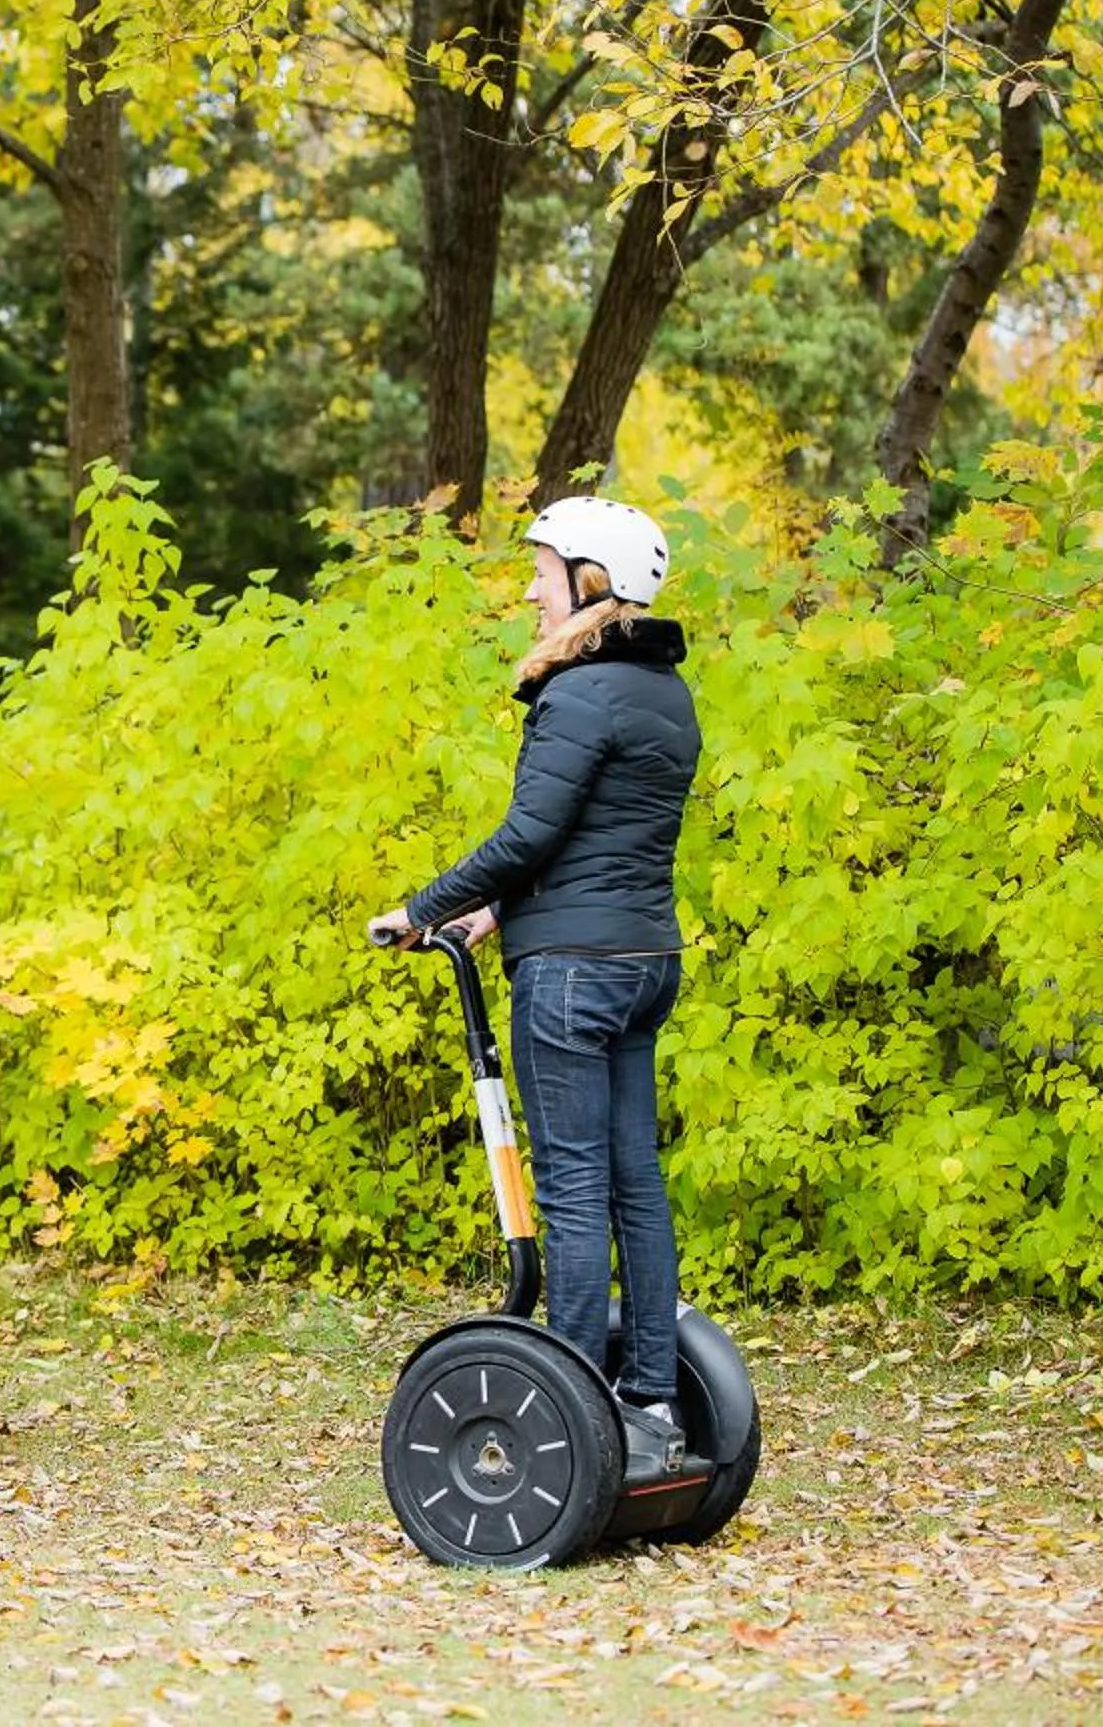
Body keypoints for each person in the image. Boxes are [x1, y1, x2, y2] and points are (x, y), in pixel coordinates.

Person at [366, 495, 700, 1480]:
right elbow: (601, 837)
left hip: (571, 978)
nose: (529, 590)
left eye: (544, 572)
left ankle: (577, 1409)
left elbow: (531, 834)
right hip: (643, 961)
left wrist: (425, 906)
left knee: (574, 1190)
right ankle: (649, 1398)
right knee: (636, 1182)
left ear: (592, 583)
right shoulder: (664, 692)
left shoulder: (578, 692)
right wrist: (497, 914)